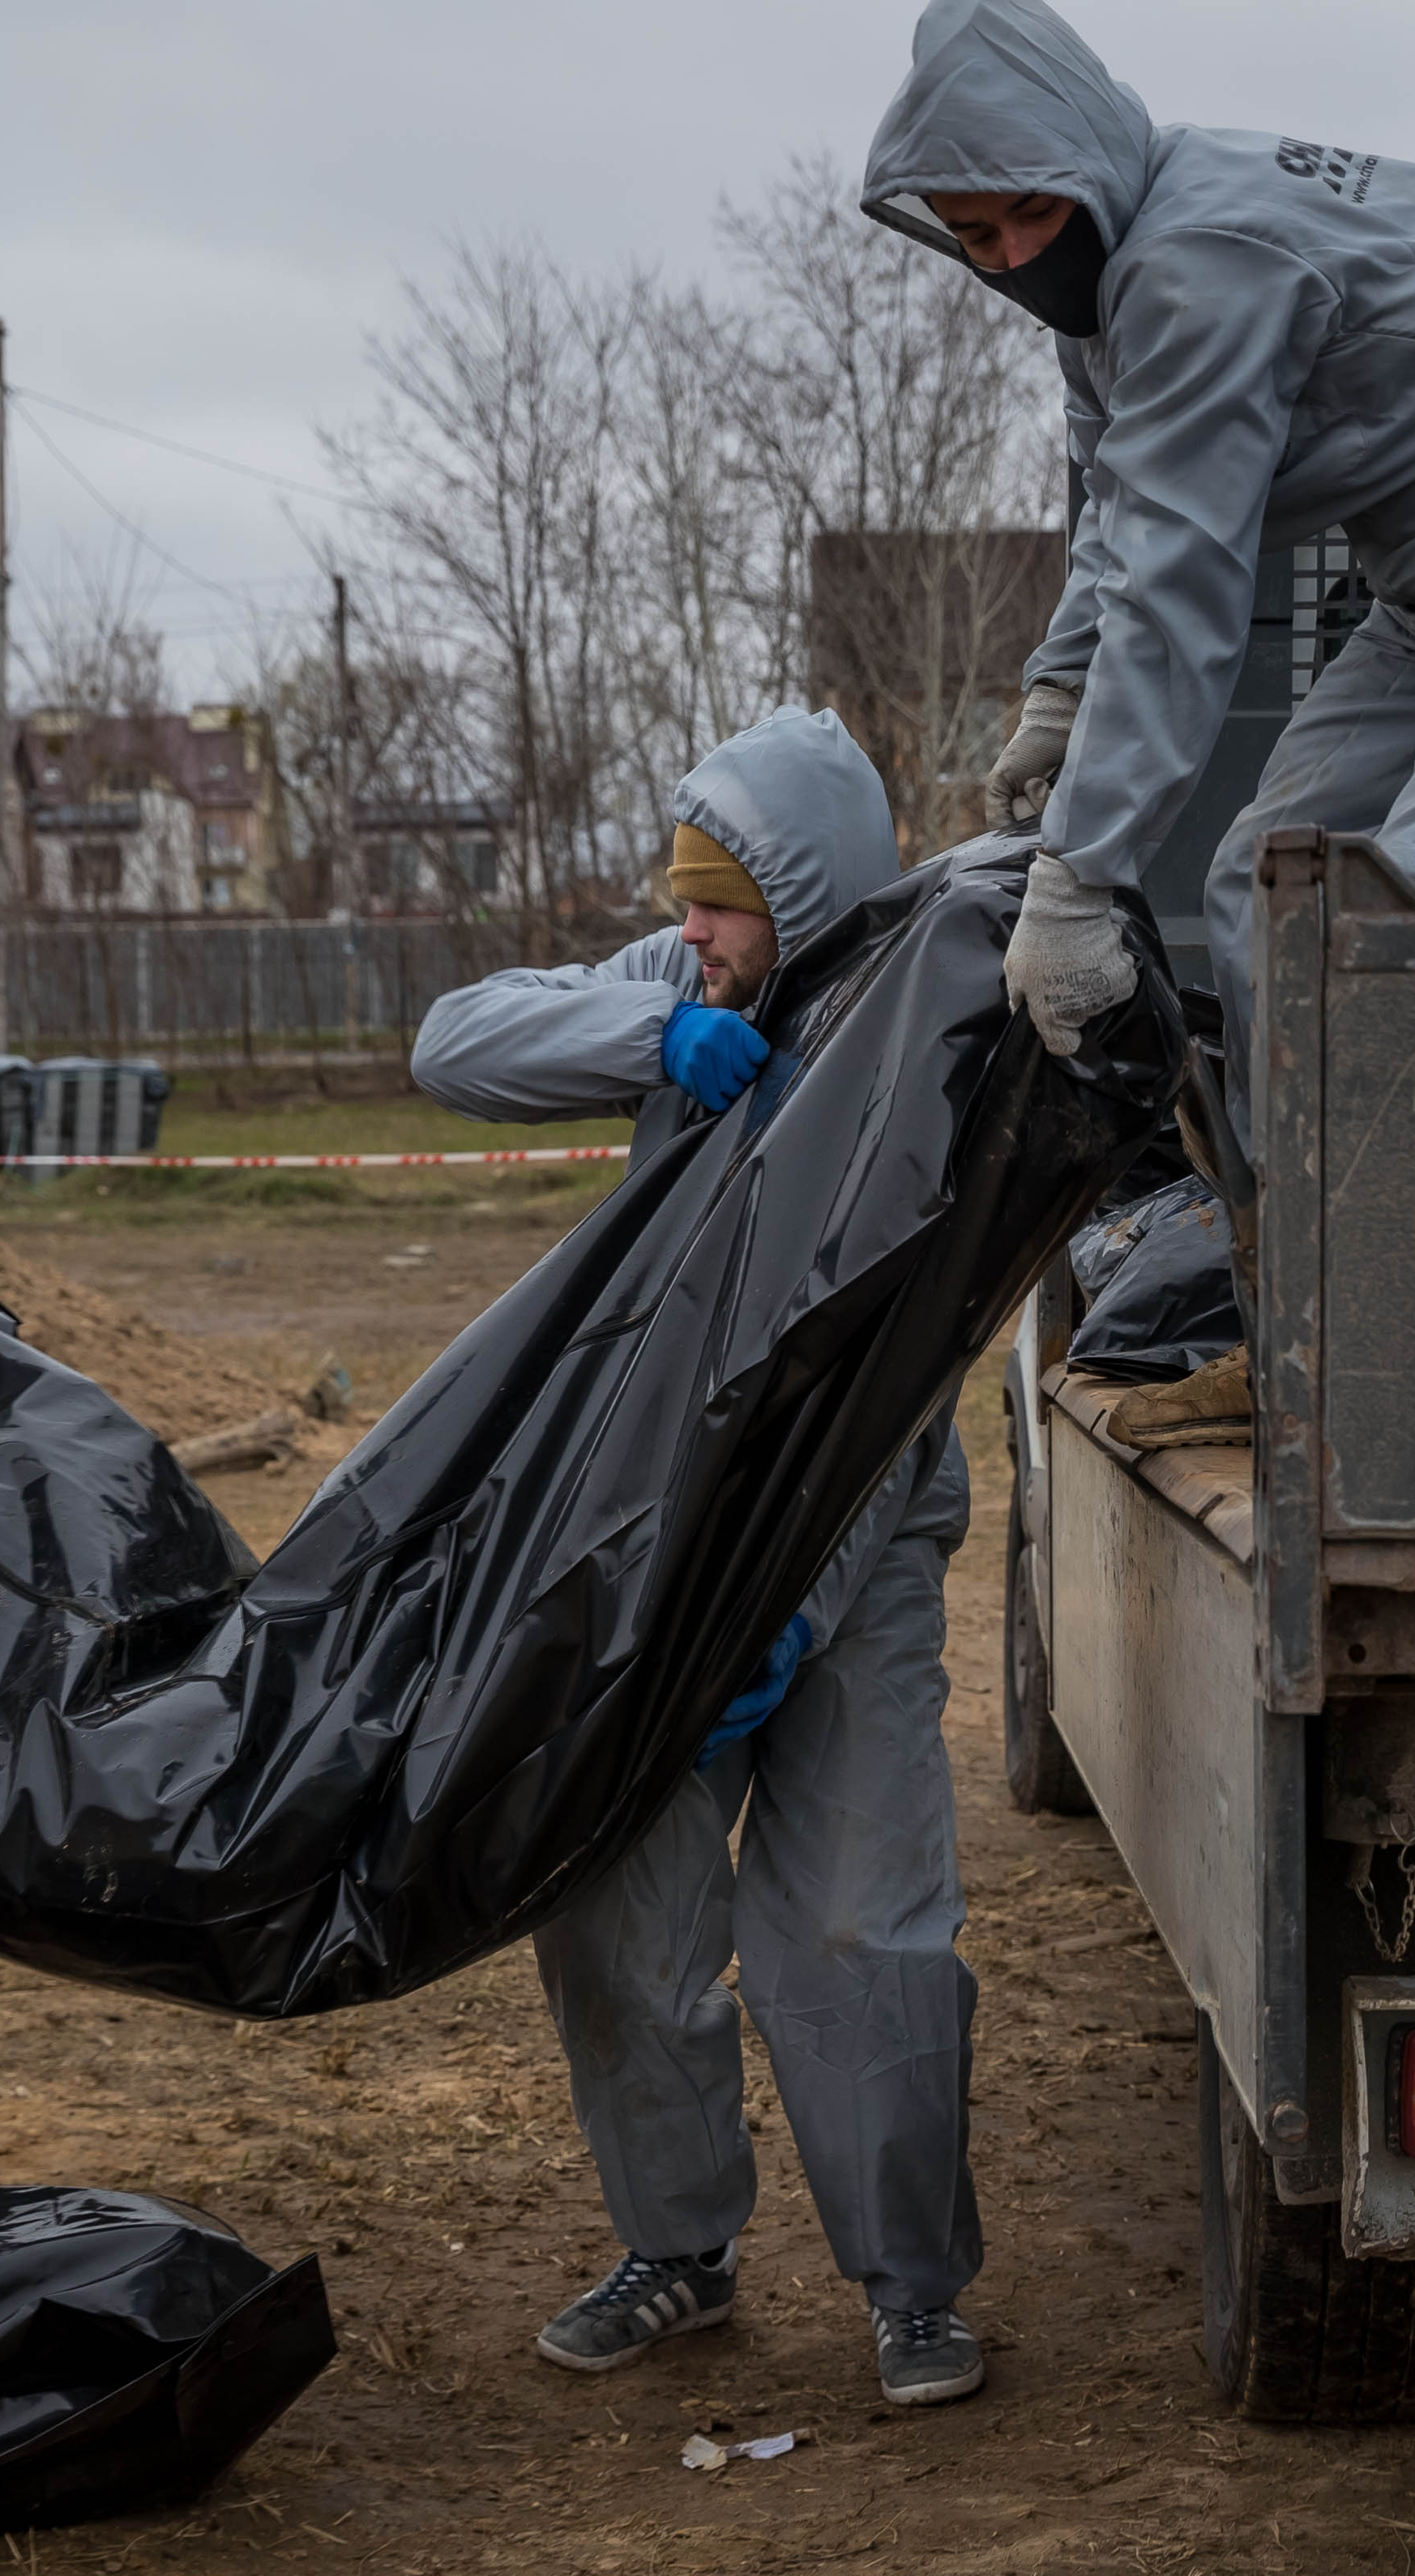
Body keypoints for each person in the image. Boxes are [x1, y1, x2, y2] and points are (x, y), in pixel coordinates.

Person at [859, 0, 1415, 1087]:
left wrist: (1080, 874)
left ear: (1088, 158)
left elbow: (1176, 590)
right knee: (1273, 880)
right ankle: (1294, 1234)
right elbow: (1124, 504)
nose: (1015, 255)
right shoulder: (1107, 304)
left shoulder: (1198, 263)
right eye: (978, 238)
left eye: (1031, 211)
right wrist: (1061, 688)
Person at [412, 706, 994, 2409]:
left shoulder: (922, 1047)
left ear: (806, 898)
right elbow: (454, 1042)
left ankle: (910, 2284)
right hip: (658, 1537)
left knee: (858, 1922)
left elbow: (899, 1391)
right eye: (684, 897)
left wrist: (794, 1614)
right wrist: (652, 1031)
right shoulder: (688, 987)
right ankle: (677, 2247)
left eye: (722, 905)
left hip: (852, 1547)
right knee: (614, 1916)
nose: (693, 929)